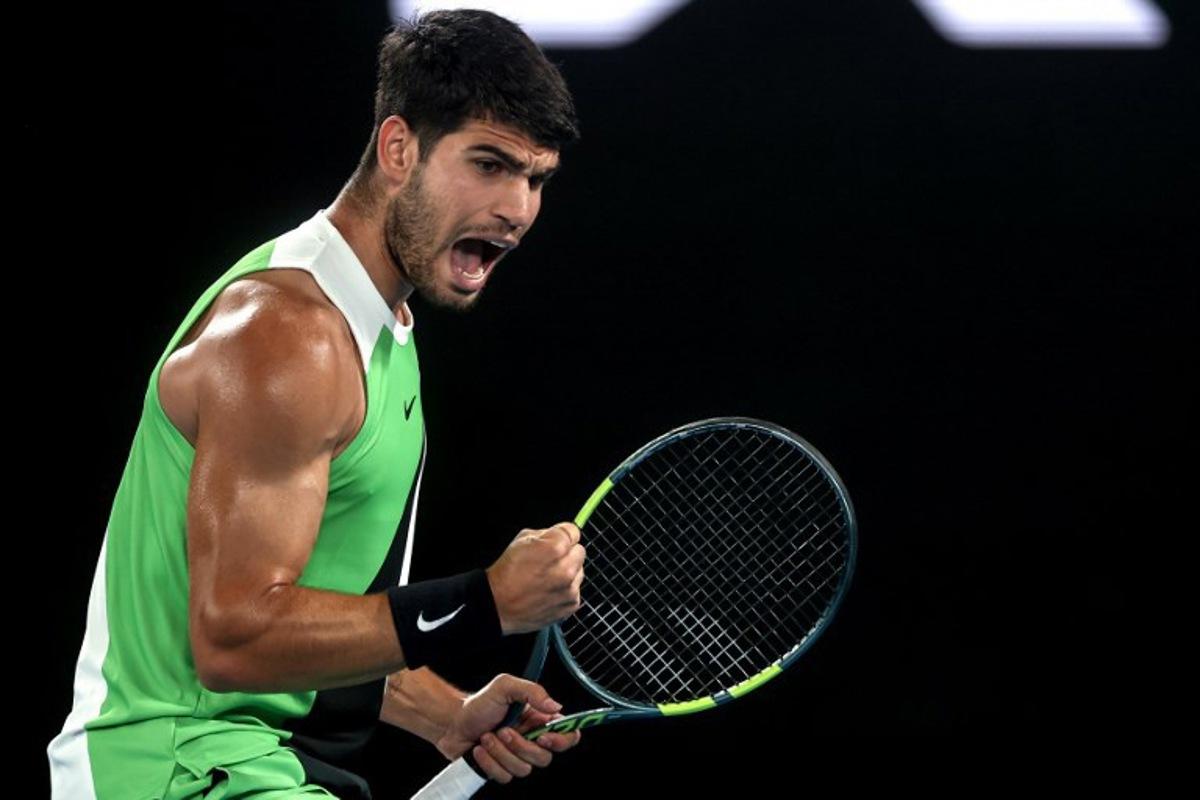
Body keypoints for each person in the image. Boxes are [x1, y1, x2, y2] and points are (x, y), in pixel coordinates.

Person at [48, 9, 585, 799]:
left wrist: (445, 713)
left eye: (535, 178)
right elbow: (235, 639)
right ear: (399, 149)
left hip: (242, 759)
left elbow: (303, 641)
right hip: (171, 768)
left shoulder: (381, 326)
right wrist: (484, 604)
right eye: (490, 164)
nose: (518, 208)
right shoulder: (289, 336)